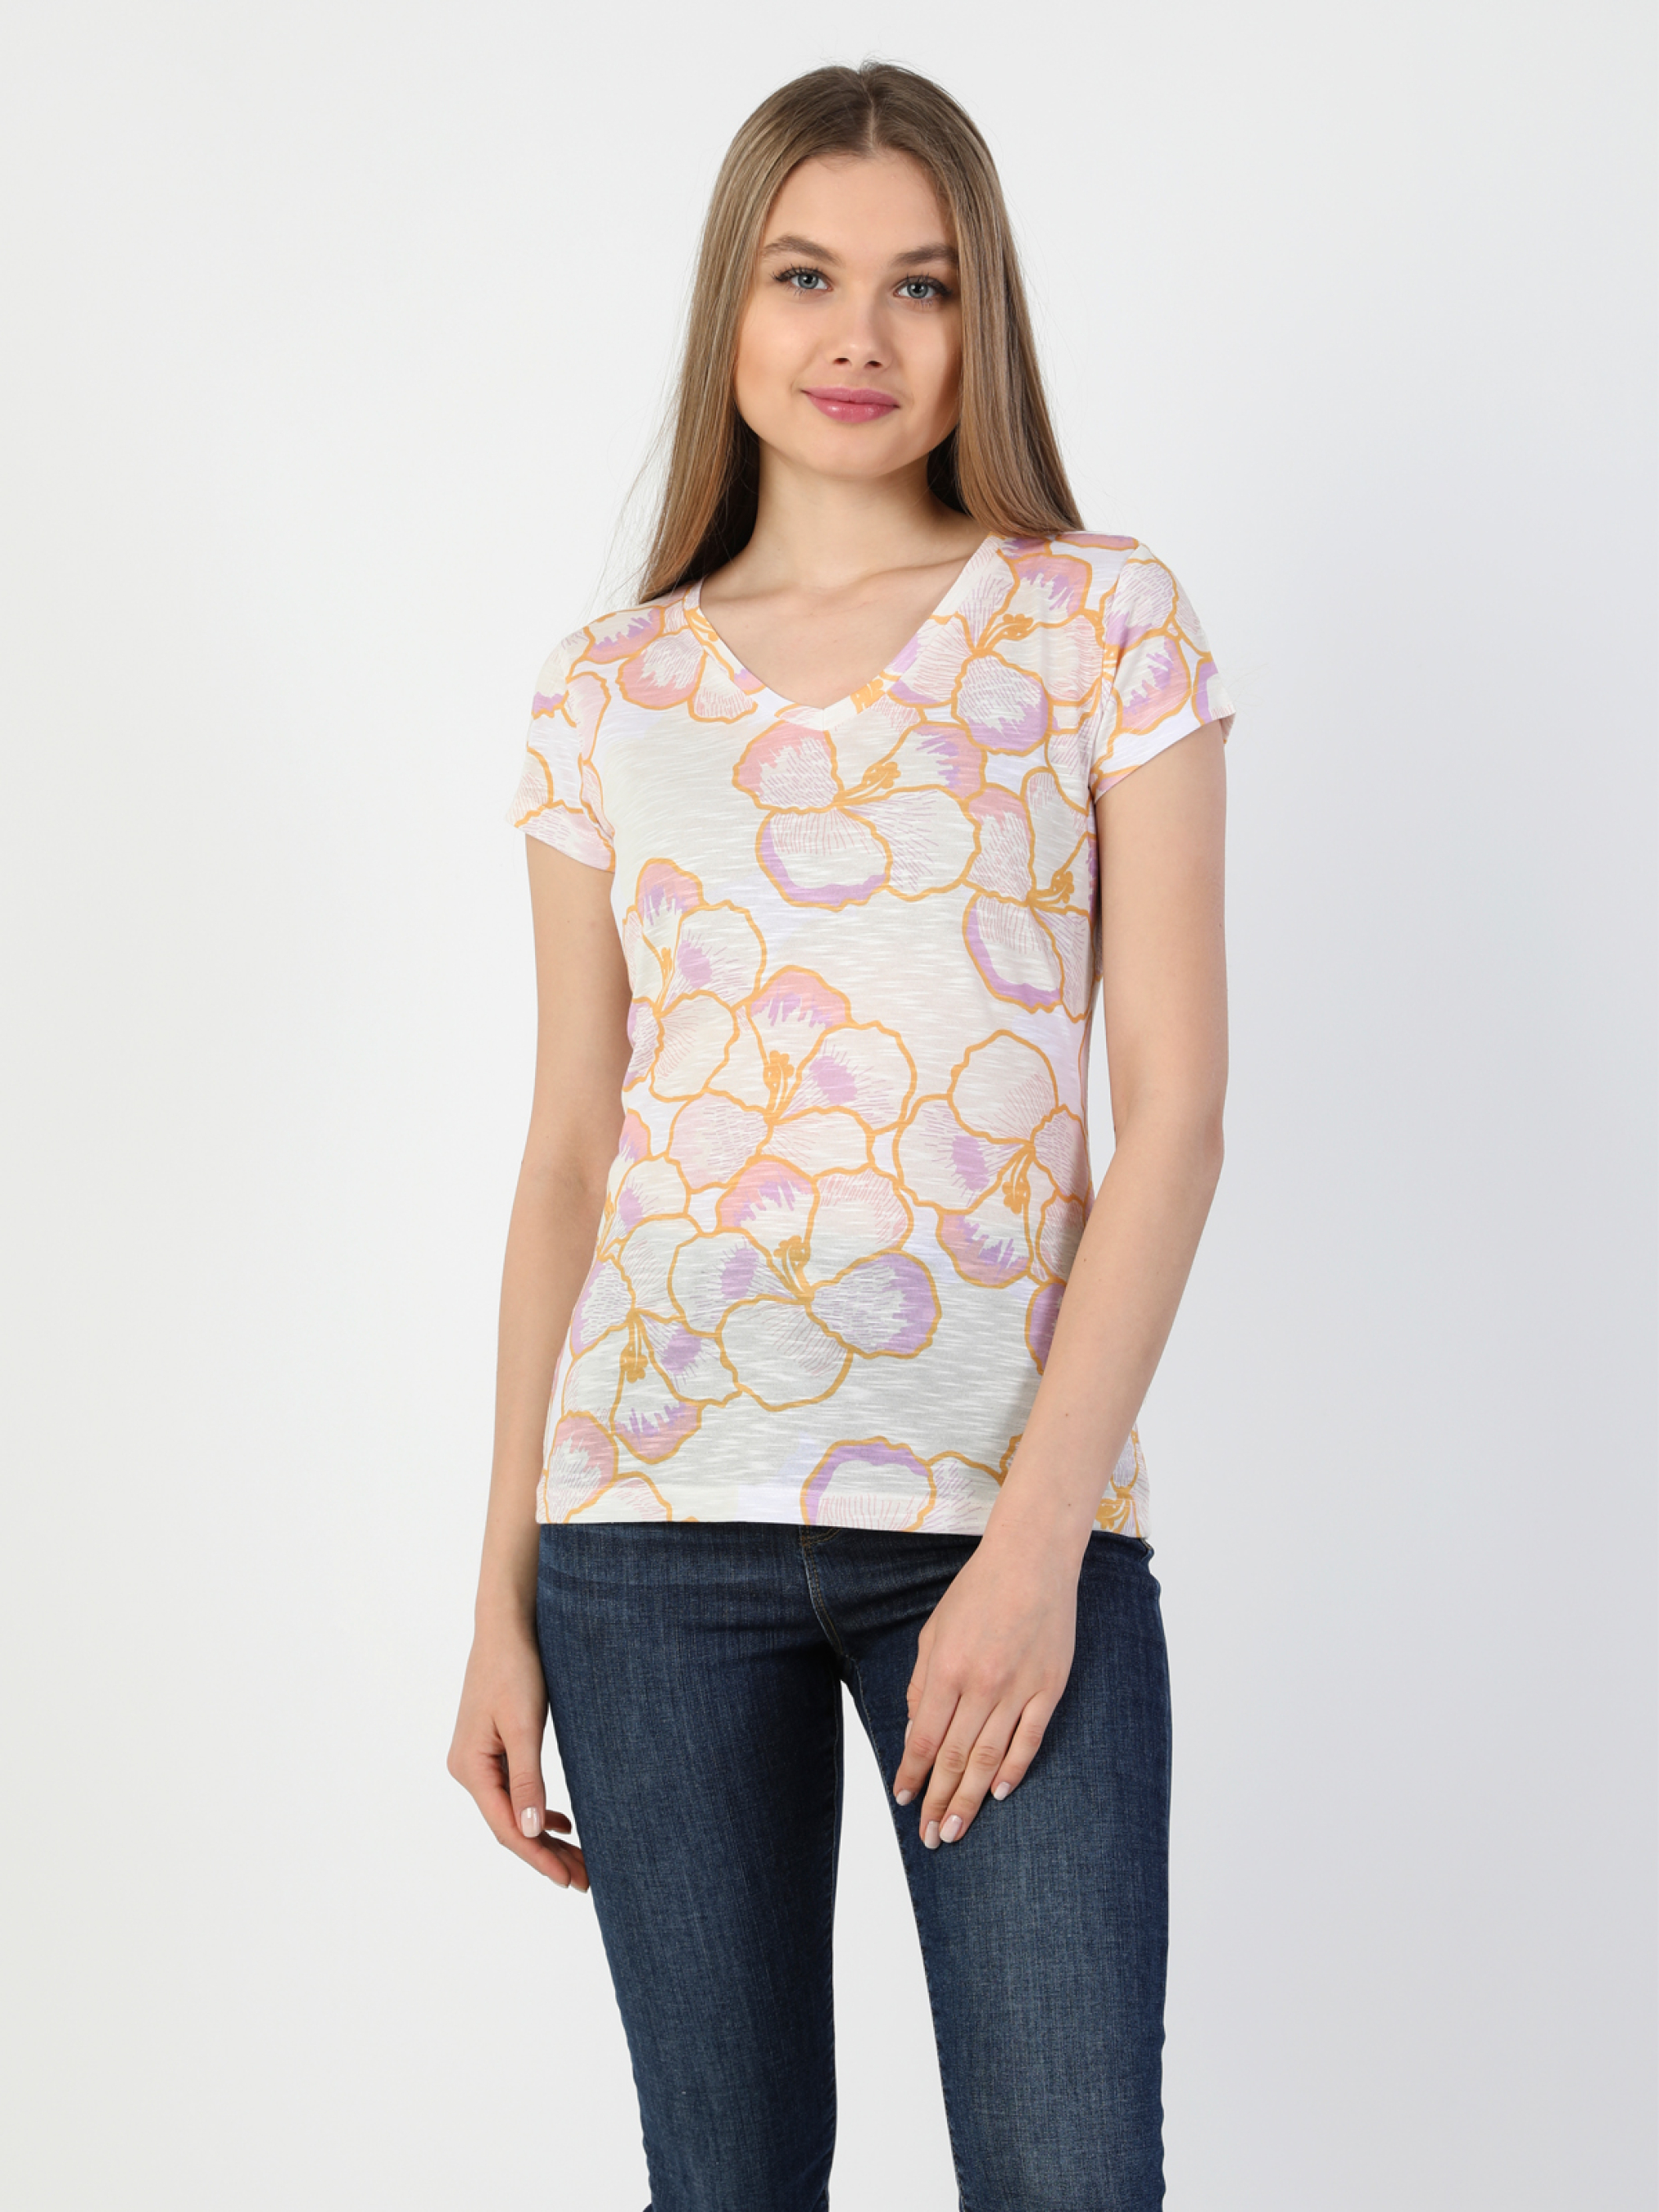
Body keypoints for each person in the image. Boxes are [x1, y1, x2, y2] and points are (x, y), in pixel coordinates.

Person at [448, 58, 1233, 2212]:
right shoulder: (608, 689)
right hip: (643, 1532)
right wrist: (498, 1592)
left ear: (985, 322)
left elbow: (1172, 1111)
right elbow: (567, 1149)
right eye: (805, 275)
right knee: (724, 2186)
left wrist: (1036, 1546)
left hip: (999, 1519)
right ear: (733, 302)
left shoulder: (1097, 621)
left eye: (923, 283)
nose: (860, 334)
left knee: (1069, 2174)